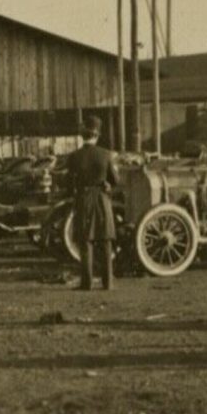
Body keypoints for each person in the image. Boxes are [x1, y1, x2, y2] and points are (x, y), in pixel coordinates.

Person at [67, 115, 118, 290]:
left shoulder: (74, 157)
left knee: (85, 242)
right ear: (97, 135)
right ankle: (108, 282)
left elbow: (69, 183)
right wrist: (107, 185)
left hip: (83, 198)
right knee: (105, 240)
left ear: (83, 135)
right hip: (102, 199)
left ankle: (86, 283)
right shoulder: (106, 154)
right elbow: (115, 180)